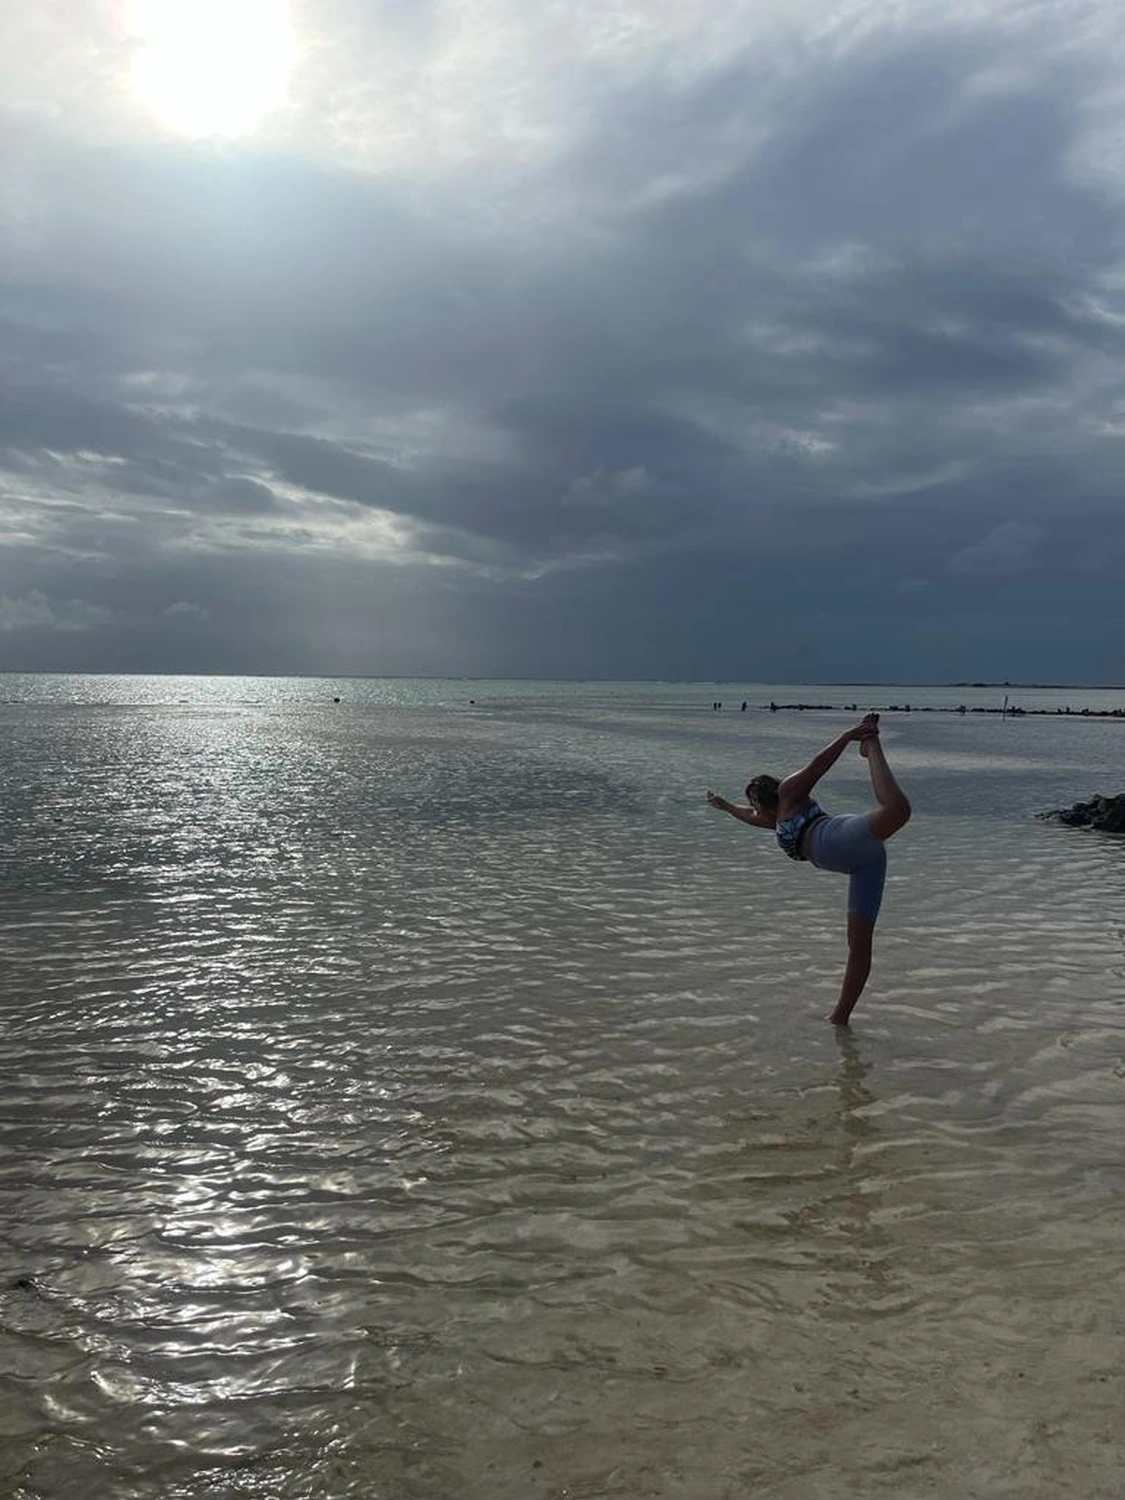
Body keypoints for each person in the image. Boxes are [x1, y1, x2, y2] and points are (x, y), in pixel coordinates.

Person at [705, 713, 911, 1026]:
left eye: (755, 802)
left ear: (764, 796)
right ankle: (840, 1018)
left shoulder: (789, 793)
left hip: (837, 837)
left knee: (897, 811)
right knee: (858, 944)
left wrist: (848, 736)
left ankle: (871, 743)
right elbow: (748, 815)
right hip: (863, 863)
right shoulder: (775, 821)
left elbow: (817, 766)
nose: (754, 809)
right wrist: (725, 806)